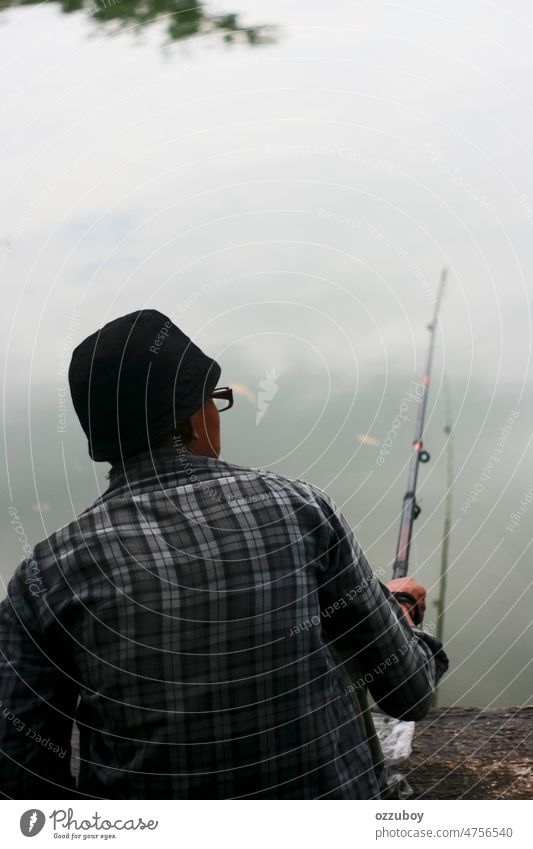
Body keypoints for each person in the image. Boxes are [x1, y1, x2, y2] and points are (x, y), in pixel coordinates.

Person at [0, 309, 447, 799]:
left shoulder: (43, 576)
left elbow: (22, 771)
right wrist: (398, 617)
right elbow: (411, 693)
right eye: (216, 399)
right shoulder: (296, 508)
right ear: (196, 418)